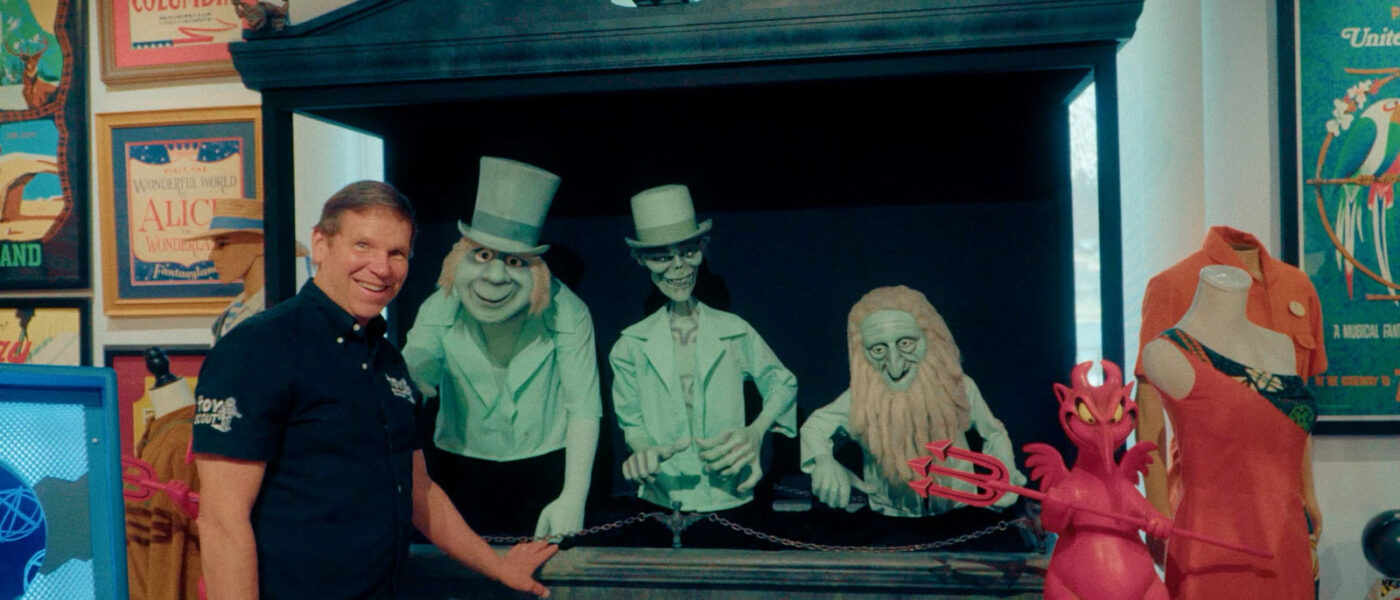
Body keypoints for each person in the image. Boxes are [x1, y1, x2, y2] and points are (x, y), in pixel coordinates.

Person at [193, 181, 555, 599]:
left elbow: (420, 490)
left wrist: (497, 566)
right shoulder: (256, 348)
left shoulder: (386, 359)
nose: (381, 268)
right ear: (321, 244)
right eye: (362, 245)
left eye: (396, 253)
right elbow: (222, 521)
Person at [403, 157, 601, 538]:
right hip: (458, 470)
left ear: (537, 269)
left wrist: (573, 495)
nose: (495, 276)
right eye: (482, 255)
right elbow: (410, 388)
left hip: (543, 470)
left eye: (513, 261)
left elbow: (583, 408)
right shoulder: (439, 308)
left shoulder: (569, 313)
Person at [1133, 226, 1325, 572]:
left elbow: (1295, 415)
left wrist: (1308, 493)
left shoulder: (1297, 287)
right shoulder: (1173, 285)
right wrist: (1156, 508)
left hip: (1285, 511)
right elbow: (1148, 410)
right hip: (1209, 509)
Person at [609, 184, 798, 513]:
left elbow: (783, 383)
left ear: (702, 248)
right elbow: (632, 422)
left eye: (688, 253)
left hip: (729, 492)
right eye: (662, 258)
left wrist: (755, 433)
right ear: (642, 260)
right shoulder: (630, 346)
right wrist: (643, 451)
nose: (678, 267)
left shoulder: (734, 331)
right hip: (663, 494)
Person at [801, 285, 1023, 517]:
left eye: (906, 343)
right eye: (878, 349)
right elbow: (814, 426)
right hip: (891, 516)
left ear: (931, 338)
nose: (895, 366)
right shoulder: (862, 397)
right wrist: (824, 461)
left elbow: (994, 432)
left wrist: (1005, 474)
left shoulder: (959, 387)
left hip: (958, 511)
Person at [183, 197, 307, 343]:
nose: (211, 256)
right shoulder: (234, 310)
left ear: (261, 244)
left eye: (223, 244)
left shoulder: (277, 311)